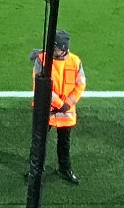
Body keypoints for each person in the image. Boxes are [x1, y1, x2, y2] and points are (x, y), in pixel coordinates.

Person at [30, 29, 84, 184]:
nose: (52, 50)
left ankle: (65, 168)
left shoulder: (75, 61)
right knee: (39, 142)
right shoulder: (42, 60)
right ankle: (35, 170)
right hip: (46, 110)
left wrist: (68, 104)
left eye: (55, 48)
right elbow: (40, 85)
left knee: (64, 144)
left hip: (65, 112)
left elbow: (80, 84)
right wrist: (60, 104)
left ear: (64, 48)